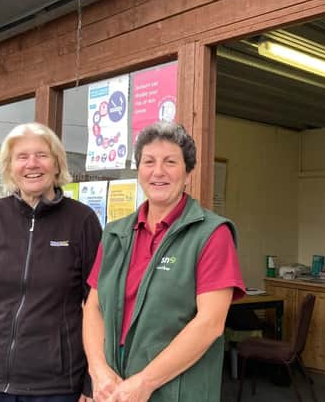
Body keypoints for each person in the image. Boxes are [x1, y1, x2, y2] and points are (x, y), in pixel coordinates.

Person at [83, 121, 245, 402]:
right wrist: (98, 372)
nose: (158, 171)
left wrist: (143, 383)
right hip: (113, 392)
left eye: (170, 161)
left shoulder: (211, 234)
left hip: (175, 392)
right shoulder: (114, 233)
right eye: (149, 161)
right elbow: (93, 308)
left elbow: (210, 323)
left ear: (187, 172)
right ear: (140, 171)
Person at [0, 123, 102, 402]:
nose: (32, 164)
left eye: (42, 155)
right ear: (10, 167)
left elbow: (99, 305)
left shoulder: (82, 221)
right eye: (22, 157)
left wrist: (92, 380)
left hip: (55, 385)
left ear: (57, 164)